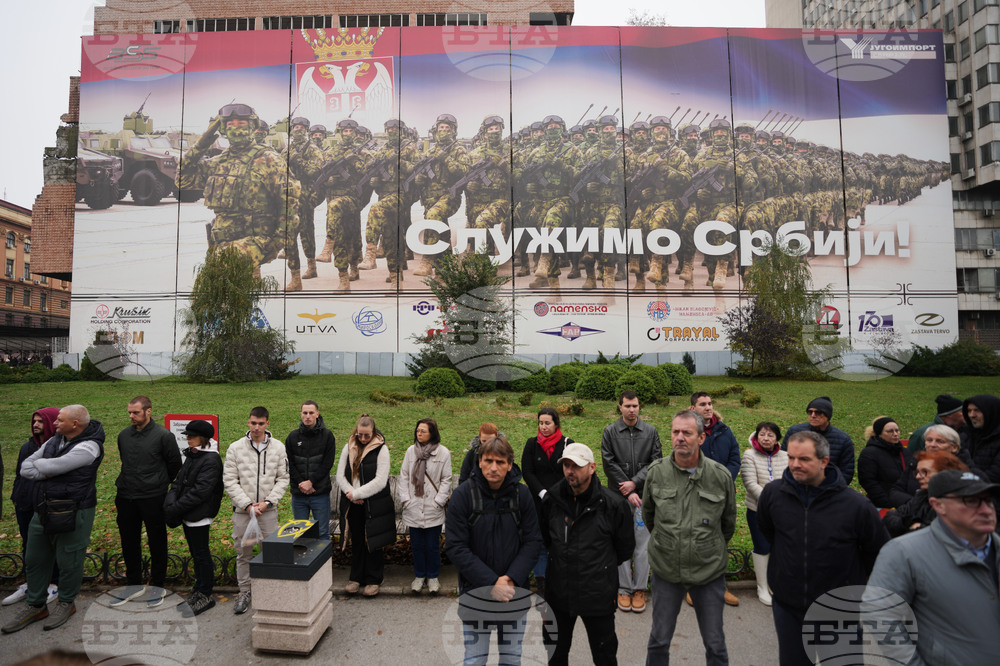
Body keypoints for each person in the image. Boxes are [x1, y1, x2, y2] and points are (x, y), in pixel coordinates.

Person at [757, 430, 889, 666]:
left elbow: (878, 551)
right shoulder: (773, 494)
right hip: (789, 606)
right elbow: (769, 532)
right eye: (791, 458)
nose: (795, 465)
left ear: (824, 461)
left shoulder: (856, 505)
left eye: (804, 459)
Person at [864, 470, 1000, 665]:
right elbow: (879, 615)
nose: (986, 510)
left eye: (989, 500)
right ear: (938, 505)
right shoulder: (903, 552)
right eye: (971, 501)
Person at [643, 410, 737, 665]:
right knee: (659, 640)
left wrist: (703, 547)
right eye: (676, 432)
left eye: (687, 432)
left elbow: (727, 524)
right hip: (667, 571)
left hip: (708, 573)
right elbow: (650, 516)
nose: (680, 438)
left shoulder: (720, 476)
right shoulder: (656, 472)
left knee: (715, 644)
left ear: (701, 438)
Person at [1, 405, 105, 634]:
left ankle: (66, 603)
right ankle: (36, 605)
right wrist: (47, 469)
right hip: (44, 507)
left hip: (74, 509)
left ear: (75, 424)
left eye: (60, 420)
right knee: (35, 557)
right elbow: (25, 469)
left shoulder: (90, 446)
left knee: (70, 560)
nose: (55, 423)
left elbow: (56, 465)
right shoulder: (55, 440)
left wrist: (44, 468)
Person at [445, 435, 542, 665]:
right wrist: (491, 582)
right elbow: (456, 546)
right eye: (488, 461)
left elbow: (533, 542)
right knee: (474, 661)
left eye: (500, 462)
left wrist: (509, 579)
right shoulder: (463, 495)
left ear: (510, 464)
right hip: (476, 595)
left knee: (511, 659)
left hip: (512, 595)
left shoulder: (522, 495)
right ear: (479, 461)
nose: (494, 467)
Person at [176, 103, 300, 280]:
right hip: (222, 244)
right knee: (219, 293)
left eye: (241, 124)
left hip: (256, 242)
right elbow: (182, 180)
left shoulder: (268, 160)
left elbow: (289, 203)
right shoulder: (218, 162)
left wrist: (278, 242)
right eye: (230, 124)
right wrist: (203, 142)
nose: (236, 128)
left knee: (224, 274)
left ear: (252, 127)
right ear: (224, 130)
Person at [541, 442, 634, 665]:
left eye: (576, 466)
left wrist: (599, 567)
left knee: (604, 657)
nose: (570, 471)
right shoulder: (551, 501)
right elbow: (546, 539)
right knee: (555, 655)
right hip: (559, 594)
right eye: (566, 465)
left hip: (598, 595)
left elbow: (624, 548)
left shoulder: (613, 505)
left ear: (592, 467)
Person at [110, 396, 182, 608]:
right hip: (126, 496)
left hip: (153, 496)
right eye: (130, 412)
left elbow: (174, 464)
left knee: (157, 541)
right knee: (129, 541)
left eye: (136, 412)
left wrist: (158, 483)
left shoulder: (163, 436)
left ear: (148, 411)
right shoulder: (123, 435)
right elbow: (125, 459)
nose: (131, 416)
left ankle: (157, 585)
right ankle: (133, 585)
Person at [223, 406, 289, 615]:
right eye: (253, 423)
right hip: (244, 513)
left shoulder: (278, 448)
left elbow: (283, 478)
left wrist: (268, 502)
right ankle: (244, 591)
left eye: (261, 423)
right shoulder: (235, 448)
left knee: (271, 552)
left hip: (268, 512)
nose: (257, 427)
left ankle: (270, 591)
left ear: (267, 423)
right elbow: (230, 480)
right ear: (248, 422)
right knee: (244, 553)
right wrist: (247, 504)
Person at [601, 390, 662, 614]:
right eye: (627, 406)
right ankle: (624, 589)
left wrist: (635, 484)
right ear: (620, 407)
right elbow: (608, 464)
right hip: (618, 497)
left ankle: (639, 589)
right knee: (621, 541)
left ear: (639, 406)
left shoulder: (650, 431)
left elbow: (655, 462)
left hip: (643, 496)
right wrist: (627, 490)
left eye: (635, 406)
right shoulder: (610, 432)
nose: (632, 410)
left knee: (642, 544)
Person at [163, 420, 223, 616]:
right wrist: (170, 504)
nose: (187, 438)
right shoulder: (193, 456)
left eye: (191, 435)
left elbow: (200, 492)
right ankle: (198, 590)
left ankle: (205, 593)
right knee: (196, 554)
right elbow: (178, 483)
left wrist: (175, 509)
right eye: (187, 435)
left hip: (199, 515)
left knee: (201, 555)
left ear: (203, 438)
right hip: (187, 513)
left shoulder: (211, 459)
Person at [4, 408, 60, 607]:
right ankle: (31, 583)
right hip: (25, 503)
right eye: (34, 421)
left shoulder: (58, 447)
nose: (35, 425)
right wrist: (16, 496)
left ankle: (53, 583)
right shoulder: (27, 447)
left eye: (40, 421)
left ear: (51, 422)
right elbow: (20, 475)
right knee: (29, 545)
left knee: (50, 543)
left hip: (48, 504)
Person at [689, 392, 741, 607]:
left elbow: (734, 459)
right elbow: (683, 461)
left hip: (722, 494)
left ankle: (720, 586)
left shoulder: (724, 431)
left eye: (710, 403)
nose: (708, 407)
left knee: (719, 541)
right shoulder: (689, 432)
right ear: (693, 409)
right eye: (703, 404)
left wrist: (722, 481)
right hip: (696, 495)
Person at [336, 414, 394, 598]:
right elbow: (340, 476)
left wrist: (358, 493)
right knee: (358, 540)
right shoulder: (348, 447)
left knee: (373, 541)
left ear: (373, 432)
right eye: (360, 434)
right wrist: (351, 495)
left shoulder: (381, 449)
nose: (362, 438)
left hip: (373, 502)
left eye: (366, 435)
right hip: (352, 503)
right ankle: (356, 577)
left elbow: (380, 480)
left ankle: (374, 578)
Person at [521, 407, 574, 599]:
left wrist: (555, 494)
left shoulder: (568, 444)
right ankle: (542, 582)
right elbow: (527, 471)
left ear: (556, 424)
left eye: (547, 423)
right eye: (540, 423)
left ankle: (560, 582)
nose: (543, 427)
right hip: (538, 502)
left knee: (559, 542)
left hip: (561, 502)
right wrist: (542, 492)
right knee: (540, 542)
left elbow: (571, 471)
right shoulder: (531, 444)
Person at [399, 418, 452, 594]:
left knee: (432, 545)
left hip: (432, 507)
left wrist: (439, 501)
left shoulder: (443, 453)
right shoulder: (410, 452)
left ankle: (433, 577)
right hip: (413, 506)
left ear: (432, 433)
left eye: (423, 431)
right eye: (417, 430)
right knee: (417, 545)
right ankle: (419, 576)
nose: (419, 433)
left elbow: (446, 479)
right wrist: (406, 499)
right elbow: (404, 476)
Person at [739, 421, 788, 606]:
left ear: (777, 438)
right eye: (762, 434)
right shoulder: (749, 455)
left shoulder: (786, 456)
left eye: (770, 435)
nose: (766, 438)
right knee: (762, 546)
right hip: (758, 510)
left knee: (778, 546)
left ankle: (773, 583)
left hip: (782, 510)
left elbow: (790, 480)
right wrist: (771, 502)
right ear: (756, 436)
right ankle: (762, 586)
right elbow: (750, 483)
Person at [883, 450, 968, 537]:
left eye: (925, 472)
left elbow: (934, 535)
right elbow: (889, 517)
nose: (918, 477)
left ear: (944, 472)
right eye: (917, 472)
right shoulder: (921, 496)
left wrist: (916, 528)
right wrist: (908, 523)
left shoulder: (957, 502)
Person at [286, 400, 336, 542]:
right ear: (301, 414)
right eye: (305, 413)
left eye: (311, 413)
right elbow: (289, 464)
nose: (308, 416)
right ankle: (304, 563)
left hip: (319, 493)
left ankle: (324, 565)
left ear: (317, 414)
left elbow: (327, 463)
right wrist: (302, 483)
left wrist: (311, 482)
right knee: (301, 535)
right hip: (299, 494)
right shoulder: (292, 437)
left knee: (322, 534)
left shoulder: (327, 436)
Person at [782, 396, 856, 484]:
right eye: (810, 412)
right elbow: (782, 460)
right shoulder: (794, 432)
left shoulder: (843, 439)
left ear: (828, 416)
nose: (813, 415)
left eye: (818, 412)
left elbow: (847, 472)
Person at [857, 417, 913, 509]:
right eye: (890, 431)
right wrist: (886, 502)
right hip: (883, 505)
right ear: (880, 434)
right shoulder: (869, 454)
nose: (895, 434)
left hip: (906, 503)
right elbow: (868, 481)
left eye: (897, 430)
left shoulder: (905, 452)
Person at [964, 394, 1000, 483]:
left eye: (977, 410)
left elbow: (995, 475)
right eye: (969, 411)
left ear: (991, 412)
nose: (972, 415)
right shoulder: (965, 435)